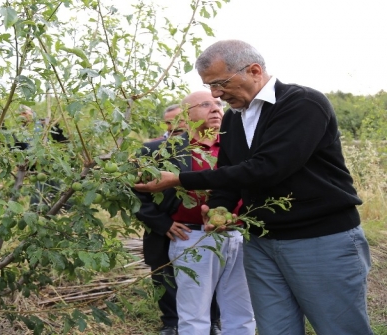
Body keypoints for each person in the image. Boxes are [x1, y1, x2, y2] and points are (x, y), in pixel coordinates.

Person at [135, 40, 372, 335]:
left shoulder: (302, 104)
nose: (215, 94)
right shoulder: (235, 119)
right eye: (209, 87)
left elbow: (267, 168)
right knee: (276, 329)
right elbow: (228, 170)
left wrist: (180, 180)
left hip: (319, 238)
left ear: (254, 70)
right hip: (261, 241)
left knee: (338, 327)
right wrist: (218, 206)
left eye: (220, 84)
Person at [166, 91, 253, 335]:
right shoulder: (167, 151)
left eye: (218, 104)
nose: (216, 109)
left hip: (239, 234)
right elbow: (141, 193)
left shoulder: (238, 147)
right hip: (193, 237)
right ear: (185, 116)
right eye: (206, 104)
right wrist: (162, 223)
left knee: (242, 311)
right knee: (195, 315)